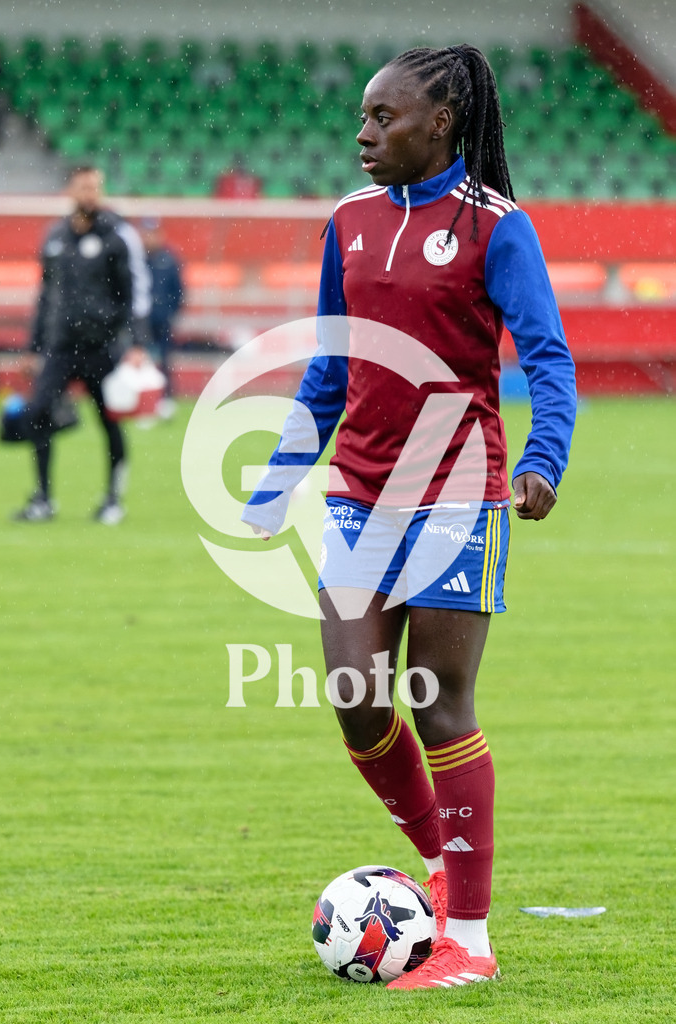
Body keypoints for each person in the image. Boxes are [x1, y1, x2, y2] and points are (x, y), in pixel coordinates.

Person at [242, 45, 576, 990]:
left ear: (441, 124)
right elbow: (328, 368)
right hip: (358, 493)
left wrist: (543, 459)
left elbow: (548, 358)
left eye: (381, 118)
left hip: (456, 493)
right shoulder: (345, 223)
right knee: (353, 698)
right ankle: (436, 863)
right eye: (361, 116)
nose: (362, 134)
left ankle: (467, 938)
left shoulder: (494, 228)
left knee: (439, 704)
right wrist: (278, 480)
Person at [13, 165, 152, 524]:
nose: (90, 194)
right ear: (70, 191)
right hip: (60, 346)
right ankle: (43, 498)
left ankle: (112, 499)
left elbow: (135, 291)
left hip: (103, 347)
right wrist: (33, 347)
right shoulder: (55, 237)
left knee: (109, 421)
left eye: (95, 188)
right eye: (83, 187)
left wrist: (137, 342)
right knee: (37, 413)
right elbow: (46, 295)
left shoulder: (118, 234)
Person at [138, 217, 184, 419]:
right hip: (140, 322)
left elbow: (178, 291)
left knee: (164, 361)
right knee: (141, 361)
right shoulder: (136, 259)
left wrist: (168, 312)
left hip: (162, 320)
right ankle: (142, 405)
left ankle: (164, 400)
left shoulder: (169, 259)